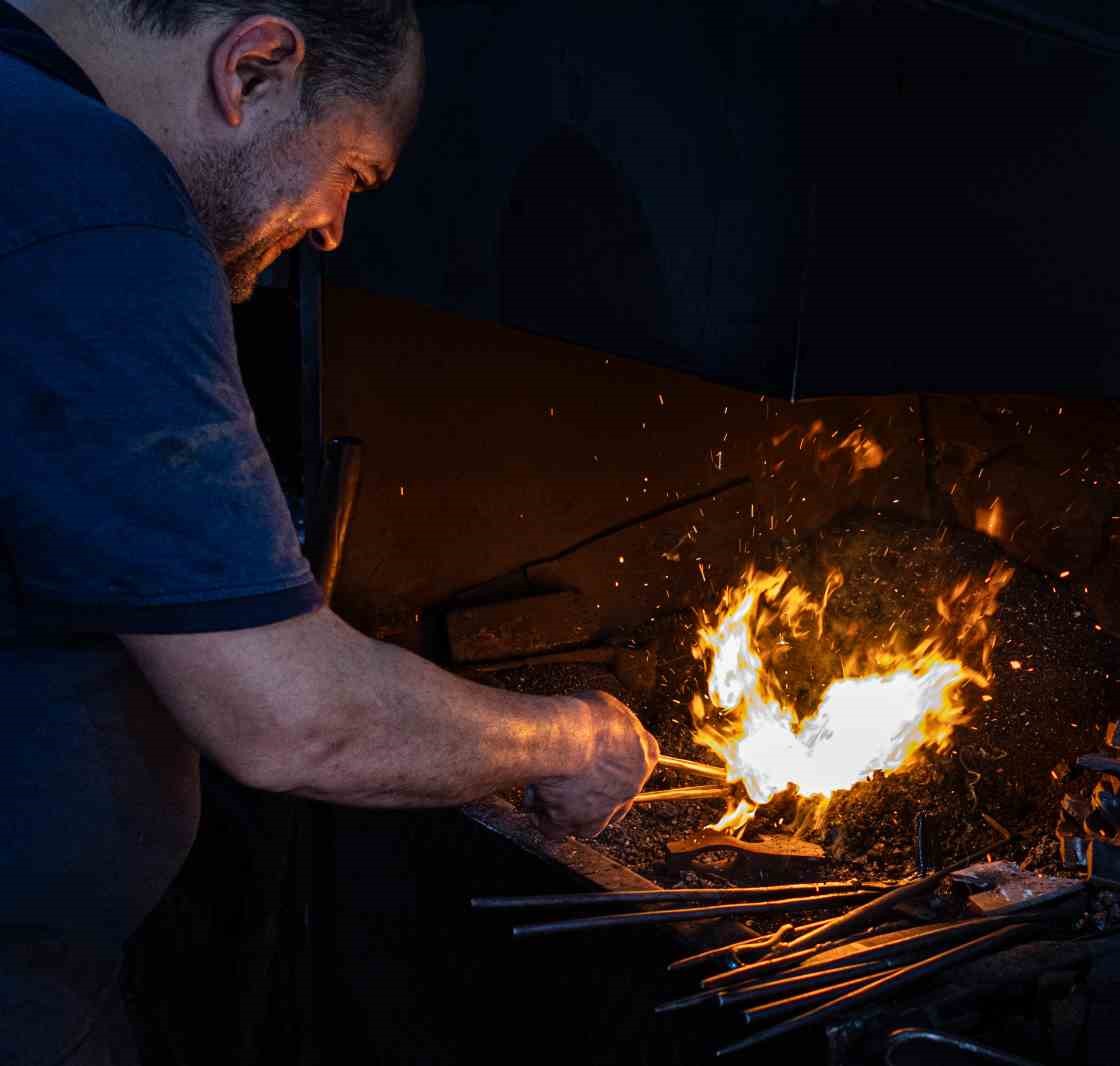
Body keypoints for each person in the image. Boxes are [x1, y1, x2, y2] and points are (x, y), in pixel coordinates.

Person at [0, 2, 660, 1061]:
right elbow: (293, 717)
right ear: (255, 66)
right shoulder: (93, 205)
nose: (332, 228)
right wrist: (573, 736)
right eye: (354, 172)